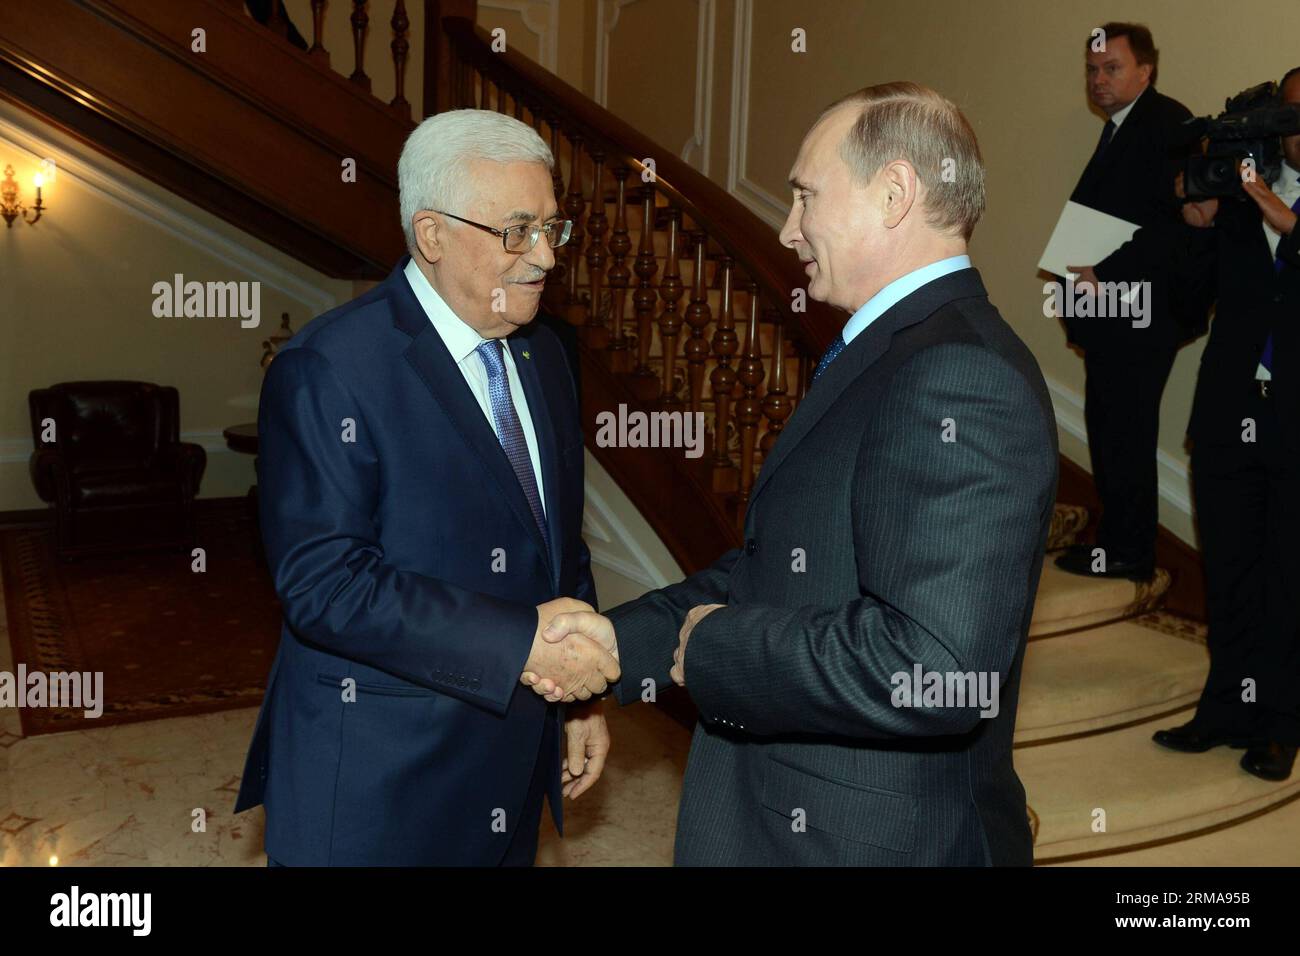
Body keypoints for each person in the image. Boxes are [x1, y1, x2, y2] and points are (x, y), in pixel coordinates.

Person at [532, 82, 1058, 865]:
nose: (787, 230)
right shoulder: (892, 351)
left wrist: (717, 651)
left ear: (894, 193)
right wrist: (617, 641)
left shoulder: (958, 373)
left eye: (806, 196)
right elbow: (776, 570)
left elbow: (938, 669)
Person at [234, 109, 619, 866]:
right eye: (516, 231)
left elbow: (554, 541)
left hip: (510, 762)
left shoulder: (547, 354)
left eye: (551, 227)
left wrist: (579, 697)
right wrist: (522, 644)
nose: (543, 256)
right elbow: (326, 585)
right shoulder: (331, 368)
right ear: (432, 234)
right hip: (379, 777)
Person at [1152, 67, 1300, 782]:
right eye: (1289, 113)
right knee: (1232, 573)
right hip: (1229, 417)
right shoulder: (1236, 196)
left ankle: (1280, 725)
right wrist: (1195, 228)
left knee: (1288, 578)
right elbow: (1187, 304)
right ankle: (1224, 710)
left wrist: (1277, 211)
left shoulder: (1266, 200)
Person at [1055, 22, 1206, 582]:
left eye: (1111, 68)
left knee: (1126, 430)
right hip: (1115, 311)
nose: (1098, 80)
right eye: (1092, 70)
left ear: (1146, 69)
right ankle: (1117, 542)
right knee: (1112, 426)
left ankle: (1128, 551)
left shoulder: (1166, 124)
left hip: (1139, 310)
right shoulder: (1125, 126)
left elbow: (1171, 229)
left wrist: (1099, 271)